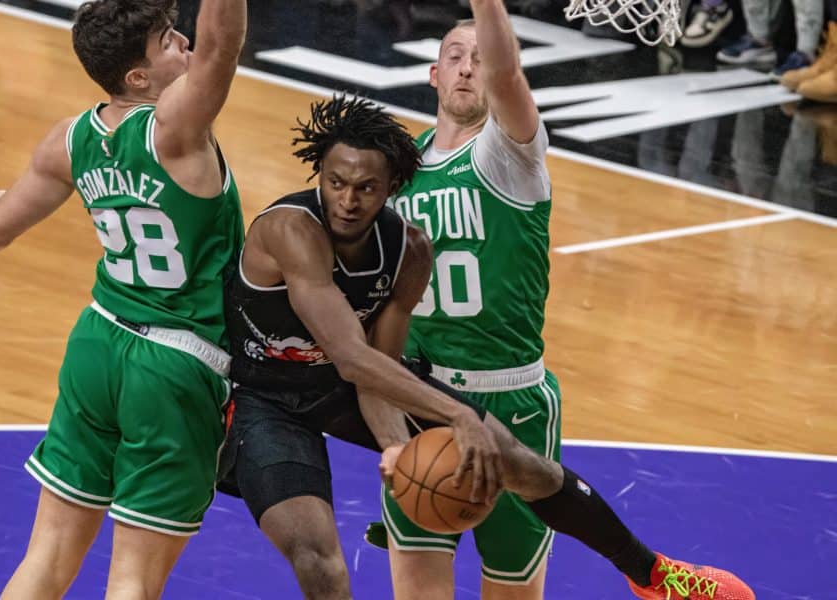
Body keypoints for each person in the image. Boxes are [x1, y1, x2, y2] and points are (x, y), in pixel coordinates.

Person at [216, 94, 754, 600]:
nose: (348, 201)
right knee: (320, 560)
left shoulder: (409, 247)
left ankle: (652, 575)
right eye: (336, 183)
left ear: (392, 188)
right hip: (269, 399)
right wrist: (457, 415)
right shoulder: (291, 229)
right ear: (320, 176)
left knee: (524, 465)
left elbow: (378, 366)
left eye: (366, 188)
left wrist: (395, 445)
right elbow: (352, 354)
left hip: (341, 385)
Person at [366, 3, 757, 600]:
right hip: (426, 396)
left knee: (513, 588)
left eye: (479, 56)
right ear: (433, 76)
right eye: (454, 57)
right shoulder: (401, 172)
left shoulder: (509, 155)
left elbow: (506, 79)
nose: (469, 68)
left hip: (511, 398)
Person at [0, 1, 246, 598]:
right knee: (133, 578)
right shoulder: (175, 128)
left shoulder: (70, 141)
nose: (186, 44)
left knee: (44, 557)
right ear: (138, 78)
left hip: (97, 343)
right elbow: (223, 45)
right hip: (175, 363)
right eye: (170, 40)